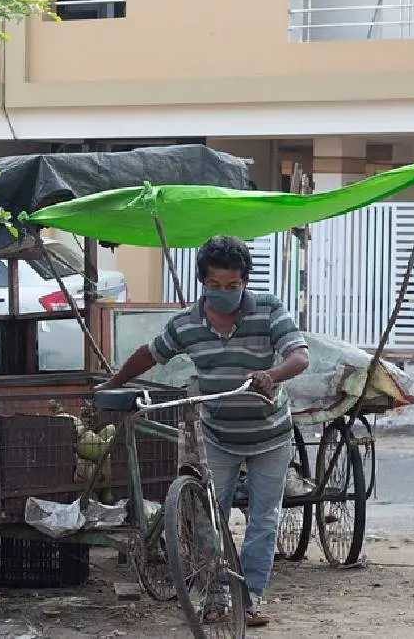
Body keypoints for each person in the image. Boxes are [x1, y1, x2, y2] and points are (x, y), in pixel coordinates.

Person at [96, 235, 309, 627]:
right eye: (215, 285)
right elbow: (150, 353)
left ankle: (250, 598)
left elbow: (299, 354)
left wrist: (272, 375)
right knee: (209, 519)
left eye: (233, 286)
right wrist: (114, 383)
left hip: (270, 435)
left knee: (263, 519)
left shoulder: (269, 309)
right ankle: (215, 595)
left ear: (245, 281)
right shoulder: (186, 324)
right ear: (201, 281)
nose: (224, 293)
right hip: (218, 435)